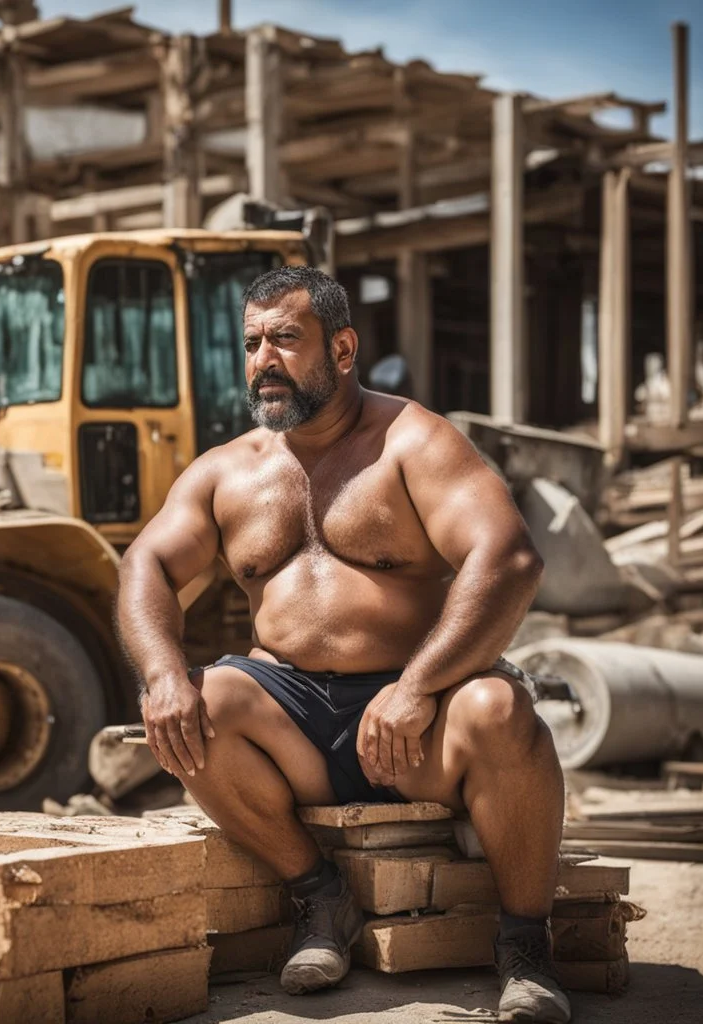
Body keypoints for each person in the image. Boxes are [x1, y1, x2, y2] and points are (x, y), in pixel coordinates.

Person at [115, 266, 569, 1024]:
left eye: (287, 339)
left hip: (417, 723)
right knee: (199, 702)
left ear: (345, 348)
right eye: (254, 342)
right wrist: (163, 673)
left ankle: (526, 947)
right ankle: (320, 901)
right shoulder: (230, 471)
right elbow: (146, 564)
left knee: (497, 707)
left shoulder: (411, 443)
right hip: (292, 719)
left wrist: (420, 687)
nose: (265, 359)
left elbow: (509, 558)